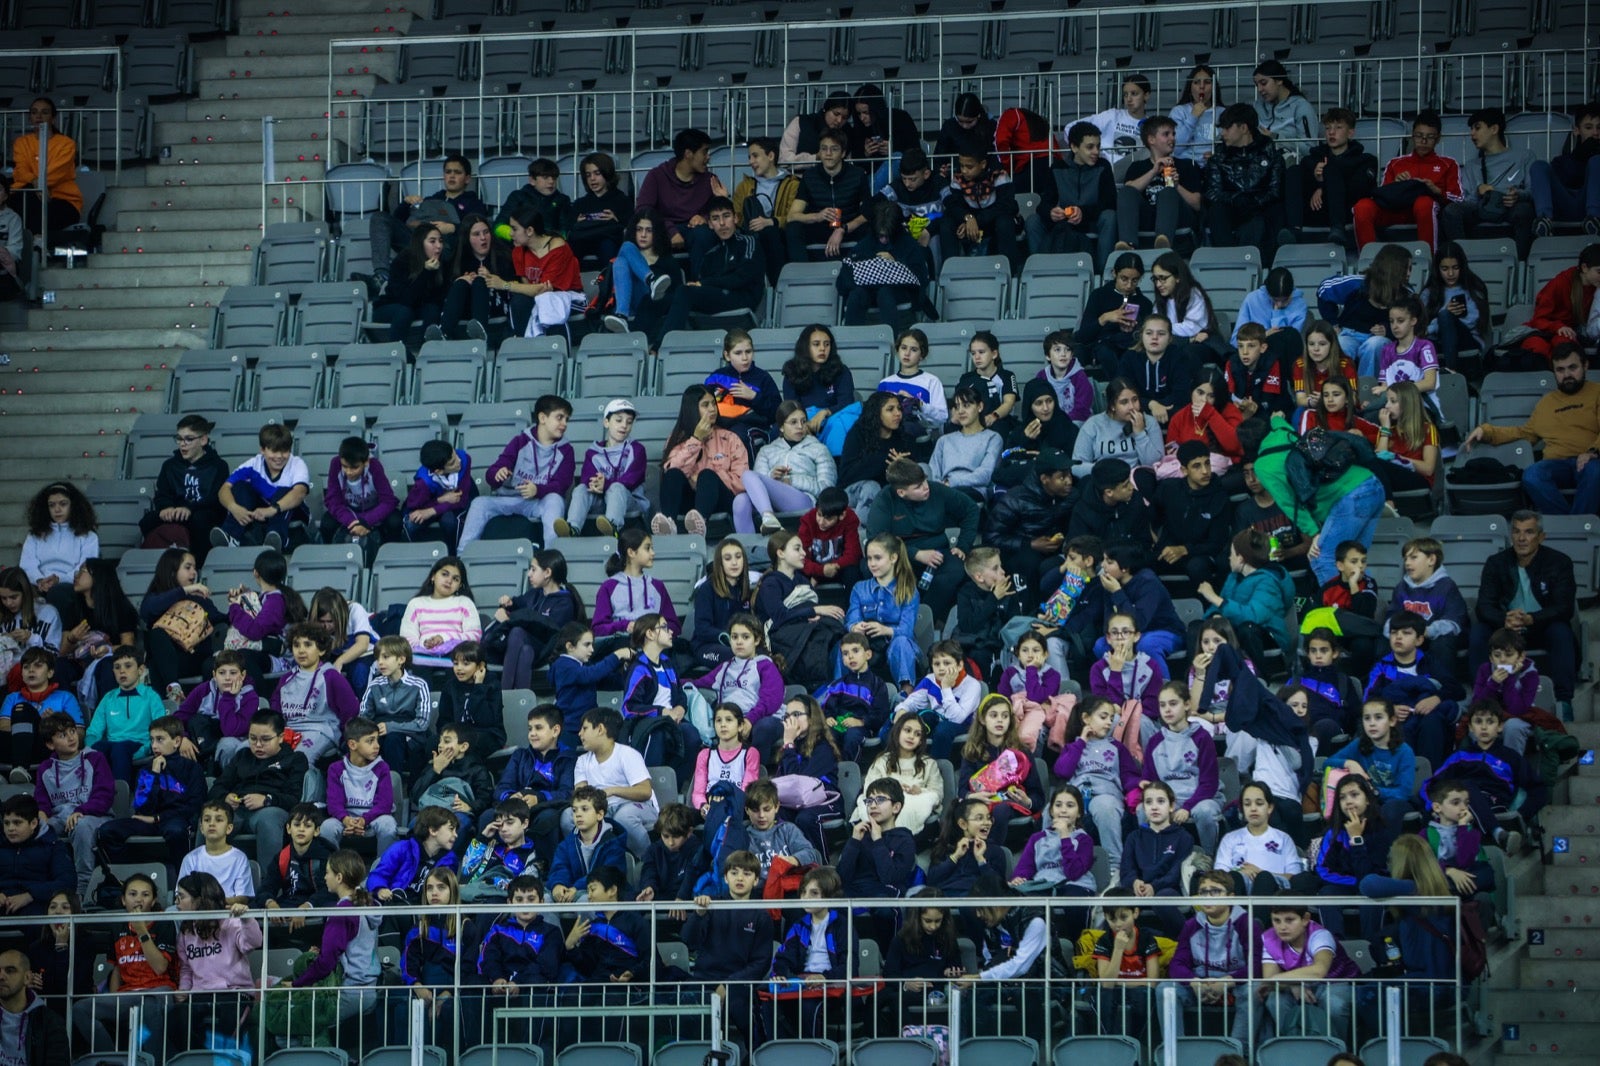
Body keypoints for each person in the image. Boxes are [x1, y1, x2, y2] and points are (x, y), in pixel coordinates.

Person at [1242, 414, 1386, 585]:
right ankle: (1362, 605)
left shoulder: (1263, 466)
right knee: (1354, 561)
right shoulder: (1284, 430)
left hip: (1350, 497)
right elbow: (1278, 419)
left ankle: (1335, 611)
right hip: (1371, 484)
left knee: (1322, 560)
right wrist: (1273, 417)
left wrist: (1314, 534)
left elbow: (1288, 504)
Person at [1461, 342, 1600, 514]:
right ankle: (1567, 523)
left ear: (1585, 366)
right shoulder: (1547, 403)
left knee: (1595, 470)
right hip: (1556, 464)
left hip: (1591, 461)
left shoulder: (1597, 393)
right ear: (1554, 372)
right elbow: (1525, 433)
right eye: (1560, 370)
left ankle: (1578, 525)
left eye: (1573, 368)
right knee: (1532, 475)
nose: (1567, 375)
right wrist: (1486, 431)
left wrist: (1593, 451)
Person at [1469, 510, 1578, 720]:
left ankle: (1564, 701)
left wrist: (1532, 618)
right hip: (1506, 630)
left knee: (1561, 632)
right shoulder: (1496, 562)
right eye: (1517, 532)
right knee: (1479, 631)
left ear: (1541, 536)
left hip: (1541, 625)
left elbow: (1564, 608)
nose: (1521, 538)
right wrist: (1504, 619)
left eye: (1529, 532)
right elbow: (1484, 606)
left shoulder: (1559, 562)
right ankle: (1480, 698)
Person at [864, 459, 980, 623]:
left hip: (937, 551)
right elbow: (877, 540)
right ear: (901, 493)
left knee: (956, 568)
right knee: (869, 566)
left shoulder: (936, 490)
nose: (926, 487)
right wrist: (915, 554)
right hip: (898, 554)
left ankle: (922, 618)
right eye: (918, 486)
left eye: (924, 480)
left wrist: (963, 545)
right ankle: (889, 616)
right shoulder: (884, 500)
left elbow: (971, 509)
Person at [457, 394, 575, 550]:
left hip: (538, 502)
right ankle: (462, 555)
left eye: (566, 419)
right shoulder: (520, 442)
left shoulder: (566, 450)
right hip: (510, 498)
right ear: (542, 418)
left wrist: (537, 490)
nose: (564, 424)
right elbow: (492, 473)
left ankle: (551, 555)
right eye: (559, 417)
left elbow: (561, 485)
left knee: (555, 500)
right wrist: (498, 474)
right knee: (480, 504)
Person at [1352, 109, 1462, 250]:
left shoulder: (1448, 164)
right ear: (1412, 136)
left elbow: (1459, 199)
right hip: (1395, 210)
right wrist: (1396, 185)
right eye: (1419, 136)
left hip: (1426, 212)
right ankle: (1367, 260)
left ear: (1438, 138)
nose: (1423, 141)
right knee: (1362, 206)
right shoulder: (1396, 163)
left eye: (1430, 137)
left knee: (1424, 203)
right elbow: (1383, 195)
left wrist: (1437, 191)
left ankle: (1429, 260)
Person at [1440, 106, 1537, 259]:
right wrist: (1478, 191)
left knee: (1524, 211)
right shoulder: (1472, 165)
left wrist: (1518, 195)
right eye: (1471, 129)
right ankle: (1462, 262)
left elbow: (1534, 191)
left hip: (1510, 205)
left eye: (1477, 128)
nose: (1472, 134)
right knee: (1451, 211)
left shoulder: (1524, 156)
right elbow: (1466, 200)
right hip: (1481, 207)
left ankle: (1521, 264)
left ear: (1494, 129)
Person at [663, 196, 766, 333]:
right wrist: (702, 285)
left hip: (743, 298)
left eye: (726, 216)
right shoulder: (712, 253)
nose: (722, 223)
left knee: (685, 292)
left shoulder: (748, 242)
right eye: (716, 218)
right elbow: (705, 282)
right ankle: (637, 342)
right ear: (710, 224)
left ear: (736, 218)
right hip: (720, 298)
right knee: (658, 300)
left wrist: (703, 284)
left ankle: (662, 346)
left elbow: (742, 278)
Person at [658, 384, 749, 538]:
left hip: (721, 500)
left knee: (707, 475)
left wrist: (704, 480)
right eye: (705, 405)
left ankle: (700, 524)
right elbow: (671, 470)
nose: (712, 409)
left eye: (713, 403)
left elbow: (742, 481)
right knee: (673, 474)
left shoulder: (730, 438)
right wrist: (696, 439)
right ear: (692, 409)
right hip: (688, 501)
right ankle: (668, 525)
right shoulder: (677, 439)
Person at [736, 401, 836, 535]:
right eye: (793, 422)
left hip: (804, 501)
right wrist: (772, 477)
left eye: (803, 421)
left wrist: (792, 481)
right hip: (769, 502)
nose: (800, 426)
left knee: (748, 475)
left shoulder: (819, 449)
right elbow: (756, 483)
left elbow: (827, 489)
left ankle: (768, 517)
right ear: (781, 427)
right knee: (740, 500)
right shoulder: (767, 451)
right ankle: (748, 549)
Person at [375, 153, 489, 266]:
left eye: (457, 172)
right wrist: (405, 203)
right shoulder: (431, 199)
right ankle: (381, 274)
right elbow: (397, 222)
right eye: (448, 172)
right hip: (417, 243)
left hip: (446, 248)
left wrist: (453, 228)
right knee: (380, 218)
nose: (452, 176)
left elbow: (479, 230)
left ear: (467, 179)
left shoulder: (474, 203)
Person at [1286, 107, 1378, 248]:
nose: (1331, 132)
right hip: (1317, 210)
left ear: (1350, 133)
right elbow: (1304, 172)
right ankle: (1293, 229)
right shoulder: (1313, 159)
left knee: (1331, 167)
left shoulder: (1366, 160)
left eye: (1338, 127)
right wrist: (1318, 181)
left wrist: (1322, 186)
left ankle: (1338, 227)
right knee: (1294, 171)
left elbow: (1359, 190)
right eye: (1328, 128)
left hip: (1347, 211)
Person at [1205, 102, 1286, 260]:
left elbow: (1275, 190)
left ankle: (1256, 265)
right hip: (1231, 210)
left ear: (1243, 128)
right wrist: (1236, 200)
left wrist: (1254, 202)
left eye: (1227, 128)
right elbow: (1212, 192)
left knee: (1266, 215)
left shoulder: (1271, 154)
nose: (1222, 133)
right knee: (1216, 211)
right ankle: (1227, 261)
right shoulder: (1219, 158)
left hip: (1260, 210)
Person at [139, 415, 229, 556]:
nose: (182, 444)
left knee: (201, 520)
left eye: (189, 439)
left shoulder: (218, 466)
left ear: (203, 440)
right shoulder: (169, 466)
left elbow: (215, 499)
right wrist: (166, 508)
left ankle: (198, 567)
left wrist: (189, 508)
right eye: (179, 438)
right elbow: (162, 494)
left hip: (203, 512)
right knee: (148, 520)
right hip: (175, 513)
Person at [212, 422, 312, 550]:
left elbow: (300, 493)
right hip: (261, 515)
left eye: (285, 451)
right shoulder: (254, 464)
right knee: (241, 486)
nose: (280, 456)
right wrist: (234, 508)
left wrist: (271, 510)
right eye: (274, 451)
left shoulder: (297, 464)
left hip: (293, 514)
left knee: (285, 491)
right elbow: (224, 489)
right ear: (263, 450)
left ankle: (276, 539)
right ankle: (231, 536)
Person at [1031, 121, 1117, 268]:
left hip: (1092, 221)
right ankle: (1038, 268)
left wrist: (1083, 213)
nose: (1096, 151)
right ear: (1074, 147)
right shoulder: (1057, 168)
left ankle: (1105, 270)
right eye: (1090, 147)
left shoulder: (1103, 166)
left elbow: (1110, 202)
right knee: (1033, 221)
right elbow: (1044, 204)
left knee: (1109, 216)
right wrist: (1051, 212)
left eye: (1098, 146)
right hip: (1065, 223)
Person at [561, 398, 649, 538]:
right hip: (600, 500)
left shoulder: (637, 449)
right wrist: (594, 483)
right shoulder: (593, 452)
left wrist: (606, 484)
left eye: (629, 422)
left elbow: (631, 480)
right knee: (581, 489)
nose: (624, 425)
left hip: (628, 501)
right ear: (606, 422)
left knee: (617, 488)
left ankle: (613, 527)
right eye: (619, 420)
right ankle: (573, 528)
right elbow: (587, 478)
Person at [1116, 114, 1204, 252]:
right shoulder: (1137, 167)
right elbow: (1128, 192)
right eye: (1166, 134)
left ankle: (1164, 241)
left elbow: (1197, 204)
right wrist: (1153, 172)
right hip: (1147, 218)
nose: (1172, 138)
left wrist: (1177, 186)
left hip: (1178, 218)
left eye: (1173, 134)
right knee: (1127, 190)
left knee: (1168, 192)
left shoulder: (1187, 166)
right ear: (1151, 139)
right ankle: (1128, 244)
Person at [635, 127, 726, 255]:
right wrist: (671, 231)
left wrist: (705, 217)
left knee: (703, 234)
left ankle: (701, 276)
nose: (708, 157)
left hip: (695, 231)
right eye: (704, 152)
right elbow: (644, 209)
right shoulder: (656, 176)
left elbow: (718, 211)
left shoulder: (710, 180)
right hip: (663, 228)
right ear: (688, 154)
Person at [840, 199, 929, 331]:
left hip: (898, 291)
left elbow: (920, 278)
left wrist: (897, 263)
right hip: (867, 290)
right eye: (880, 235)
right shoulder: (866, 243)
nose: (883, 240)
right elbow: (843, 281)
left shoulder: (908, 244)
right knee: (856, 294)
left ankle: (892, 341)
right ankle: (850, 339)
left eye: (887, 236)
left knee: (885, 293)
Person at [1508, 244, 1600, 368]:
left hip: (1568, 333)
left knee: (1566, 348)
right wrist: (1558, 327)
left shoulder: (1596, 288)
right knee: (1536, 348)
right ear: (1584, 268)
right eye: (1599, 271)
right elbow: (1538, 319)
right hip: (1543, 331)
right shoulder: (1561, 282)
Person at [600, 207, 682, 343]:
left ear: (657, 233)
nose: (643, 235)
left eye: (649, 230)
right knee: (622, 257)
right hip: (627, 302)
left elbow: (678, 293)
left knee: (623, 254)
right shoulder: (626, 256)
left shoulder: (667, 261)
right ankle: (650, 282)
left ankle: (622, 315)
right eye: (639, 229)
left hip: (653, 304)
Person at [19, 482, 97, 622]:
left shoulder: (88, 536)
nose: (57, 509)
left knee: (58, 592)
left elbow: (85, 568)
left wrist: (58, 579)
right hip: (38, 585)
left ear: (73, 505)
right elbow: (26, 565)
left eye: (63, 504)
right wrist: (40, 580)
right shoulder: (34, 535)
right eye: (52, 505)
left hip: (71, 586)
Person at [320, 436, 400, 566]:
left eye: (354, 467)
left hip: (374, 510)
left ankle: (389, 557)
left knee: (395, 520)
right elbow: (332, 500)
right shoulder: (335, 464)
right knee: (327, 523)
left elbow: (388, 500)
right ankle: (331, 559)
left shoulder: (374, 467)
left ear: (366, 462)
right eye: (345, 466)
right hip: (349, 512)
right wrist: (352, 522)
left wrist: (366, 522)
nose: (349, 472)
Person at [435, 213, 514, 342]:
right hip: (464, 308)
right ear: (467, 238)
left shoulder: (503, 257)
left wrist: (491, 279)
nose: (483, 238)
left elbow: (510, 289)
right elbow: (444, 293)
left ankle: (480, 333)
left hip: (495, 306)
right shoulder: (457, 260)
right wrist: (459, 281)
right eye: (476, 234)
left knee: (479, 282)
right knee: (461, 283)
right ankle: (443, 333)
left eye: (486, 232)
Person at [940, 149, 1022, 270]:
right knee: (946, 222)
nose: (964, 170)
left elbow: (1008, 205)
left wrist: (976, 220)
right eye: (961, 166)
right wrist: (967, 218)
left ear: (982, 164)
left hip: (993, 222)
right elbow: (954, 206)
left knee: (1004, 221)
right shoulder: (958, 179)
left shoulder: (999, 175)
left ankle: (1009, 271)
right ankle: (950, 271)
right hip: (968, 222)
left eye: (969, 167)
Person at [8, 98, 81, 236]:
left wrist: (35, 182)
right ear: (30, 118)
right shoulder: (21, 143)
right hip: (28, 194)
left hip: (62, 200)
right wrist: (35, 182)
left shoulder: (66, 144)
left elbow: (56, 172)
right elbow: (20, 171)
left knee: (30, 203)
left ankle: (36, 248)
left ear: (53, 118)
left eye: (45, 112)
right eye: (34, 112)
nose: (39, 116)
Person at [781, 324, 857, 454]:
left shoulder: (841, 371)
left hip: (833, 418)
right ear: (806, 347)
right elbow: (791, 406)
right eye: (816, 344)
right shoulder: (792, 372)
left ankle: (837, 465)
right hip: (803, 419)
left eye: (827, 344)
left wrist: (825, 412)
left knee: (844, 420)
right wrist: (804, 423)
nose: (822, 349)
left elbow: (847, 401)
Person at [1077, 252, 1154, 378]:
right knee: (1105, 352)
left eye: (1134, 280)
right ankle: (1122, 388)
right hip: (1103, 345)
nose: (1129, 285)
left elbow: (1148, 337)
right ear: (1114, 273)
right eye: (1124, 279)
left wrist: (1135, 330)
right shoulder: (1099, 296)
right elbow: (1082, 336)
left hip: (1131, 345)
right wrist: (1104, 318)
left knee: (1135, 354)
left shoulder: (1144, 303)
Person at [732, 137, 798, 283]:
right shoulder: (744, 186)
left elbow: (794, 216)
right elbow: (738, 217)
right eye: (749, 157)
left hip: (779, 234)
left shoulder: (792, 184)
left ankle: (777, 285)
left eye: (755, 156)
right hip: (751, 233)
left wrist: (771, 222)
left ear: (771, 156)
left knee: (770, 232)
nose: (751, 162)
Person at [1530, 102, 1600, 237]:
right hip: (1565, 204)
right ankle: (1544, 220)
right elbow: (1567, 179)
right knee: (1539, 166)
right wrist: (1580, 156)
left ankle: (1595, 219)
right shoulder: (1562, 160)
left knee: (1597, 161)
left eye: (1599, 128)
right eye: (1589, 127)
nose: (1595, 133)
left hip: (1594, 208)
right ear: (1577, 131)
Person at [1072, 377, 1165, 477]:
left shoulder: (1149, 422)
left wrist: (1140, 434)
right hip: (1104, 479)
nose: (1132, 407)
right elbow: (1076, 466)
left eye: (1135, 400)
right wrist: (1105, 471)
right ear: (1112, 405)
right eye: (1124, 402)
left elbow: (1155, 466)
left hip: (1136, 480)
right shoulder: (1093, 425)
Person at [1423, 242, 1493, 370]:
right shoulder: (1429, 292)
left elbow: (1472, 320)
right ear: (1437, 269)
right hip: (1437, 342)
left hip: (1468, 340)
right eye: (1445, 269)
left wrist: (1444, 318)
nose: (1450, 274)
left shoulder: (1473, 288)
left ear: (1462, 267)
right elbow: (1422, 326)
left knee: (1445, 315)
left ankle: (1451, 371)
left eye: (1455, 268)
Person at [375, 223, 449, 342]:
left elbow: (437, 299)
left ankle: (427, 351)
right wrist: (425, 273)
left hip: (417, 307)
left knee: (433, 310)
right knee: (405, 311)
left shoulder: (442, 264)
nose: (439, 246)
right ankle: (397, 352)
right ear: (420, 244)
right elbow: (406, 299)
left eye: (440, 241)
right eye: (432, 241)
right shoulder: (403, 261)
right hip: (391, 306)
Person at [403, 439, 477, 550]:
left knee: (449, 521)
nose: (458, 461)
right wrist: (440, 500)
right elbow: (414, 507)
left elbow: (461, 500)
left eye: (455, 454)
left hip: (457, 505)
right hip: (430, 504)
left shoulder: (465, 459)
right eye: (452, 463)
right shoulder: (424, 482)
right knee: (411, 523)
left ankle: (454, 554)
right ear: (439, 471)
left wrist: (432, 511)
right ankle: (419, 554)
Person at [849, 83, 922, 192]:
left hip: (903, 175)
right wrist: (865, 154)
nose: (862, 118)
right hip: (871, 176)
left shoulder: (899, 117)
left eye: (866, 112)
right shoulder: (858, 128)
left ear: (876, 108)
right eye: (859, 114)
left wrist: (893, 147)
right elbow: (857, 163)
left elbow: (915, 149)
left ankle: (872, 197)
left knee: (896, 157)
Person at [564, 151, 632, 266]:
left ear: (607, 174)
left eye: (597, 173)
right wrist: (577, 223)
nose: (592, 179)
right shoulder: (580, 203)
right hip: (584, 241)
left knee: (607, 245)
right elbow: (570, 229)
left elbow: (629, 228)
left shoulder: (622, 200)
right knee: (569, 249)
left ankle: (610, 282)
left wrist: (616, 220)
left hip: (608, 243)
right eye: (588, 175)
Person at [1234, 266, 1309, 367]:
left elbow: (1289, 341)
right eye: (1275, 299)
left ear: (1291, 292)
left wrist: (1277, 314)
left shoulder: (1300, 305)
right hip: (1254, 354)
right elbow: (1236, 338)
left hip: (1284, 357)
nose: (1280, 304)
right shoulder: (1252, 299)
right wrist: (1263, 335)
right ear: (1267, 292)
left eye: (1285, 300)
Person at [1074, 73, 1153, 165]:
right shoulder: (1112, 116)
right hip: (1105, 170)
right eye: (1125, 95)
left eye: (1134, 94)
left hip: (1135, 174)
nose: (1129, 99)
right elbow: (1070, 129)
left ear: (1146, 95)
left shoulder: (1152, 126)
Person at [494, 157, 570, 235]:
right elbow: (498, 226)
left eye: (554, 178)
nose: (551, 181)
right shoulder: (517, 196)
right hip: (518, 244)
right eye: (545, 177)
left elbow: (565, 230)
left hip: (551, 245)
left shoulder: (562, 200)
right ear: (532, 180)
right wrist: (519, 237)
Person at [993, 106, 1059, 195]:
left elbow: (1001, 141)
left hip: (1031, 167)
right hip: (1055, 166)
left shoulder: (1011, 114)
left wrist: (1007, 168)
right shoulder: (1039, 121)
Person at [779, 94, 852, 167]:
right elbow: (784, 161)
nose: (839, 120)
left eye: (845, 117)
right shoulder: (801, 122)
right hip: (799, 176)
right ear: (826, 109)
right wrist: (815, 158)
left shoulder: (848, 131)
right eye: (836, 114)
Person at [1170, 63, 1221, 163]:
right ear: (1190, 87)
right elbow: (1174, 148)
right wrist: (1193, 117)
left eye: (1207, 82)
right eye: (1196, 82)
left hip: (1214, 164)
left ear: (1214, 87)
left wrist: (1218, 155)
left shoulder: (1222, 113)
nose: (1202, 87)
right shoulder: (1179, 111)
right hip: (1186, 164)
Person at [932, 93, 995, 173]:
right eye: (960, 121)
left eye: (969, 122)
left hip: (983, 172)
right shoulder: (949, 126)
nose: (964, 126)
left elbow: (994, 157)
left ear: (978, 115)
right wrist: (942, 167)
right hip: (954, 172)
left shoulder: (990, 126)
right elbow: (938, 157)